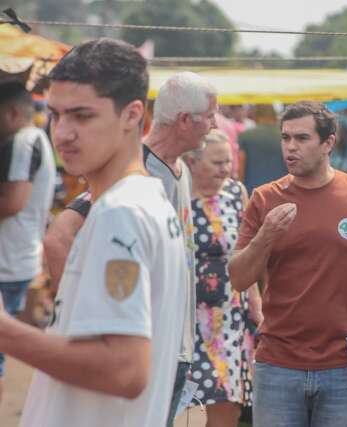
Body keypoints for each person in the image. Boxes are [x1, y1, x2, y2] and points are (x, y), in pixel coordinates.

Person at [0, 38, 188, 426]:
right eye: (55, 114)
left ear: (133, 115)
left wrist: (5, 331)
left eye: (82, 116)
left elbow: (123, 370)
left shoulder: (122, 213)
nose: (63, 133)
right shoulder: (142, 202)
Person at [41, 70, 219, 426]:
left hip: (172, 348)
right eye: (210, 115)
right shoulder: (140, 171)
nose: (215, 124)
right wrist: (87, 322)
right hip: (142, 352)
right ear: (185, 120)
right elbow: (60, 237)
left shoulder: (178, 167)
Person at [228, 100, 347, 427]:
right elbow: (238, 278)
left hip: (345, 368)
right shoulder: (264, 199)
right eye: (285, 138)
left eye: (302, 138)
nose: (290, 147)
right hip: (278, 365)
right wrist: (266, 235)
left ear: (328, 143)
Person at [183, 129, 262, 427]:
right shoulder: (174, 193)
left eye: (228, 162)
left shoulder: (235, 193)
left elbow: (246, 252)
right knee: (177, 399)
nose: (225, 169)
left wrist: (256, 304)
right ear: (192, 162)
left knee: (228, 401)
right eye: (217, 162)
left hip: (229, 316)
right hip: (186, 316)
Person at [0, 82, 56, 403]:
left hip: (8, 262)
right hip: (15, 258)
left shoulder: (24, 141)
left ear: (12, 113)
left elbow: (12, 202)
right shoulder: (29, 140)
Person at [238, 104, 287, 195]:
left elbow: (241, 166)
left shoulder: (245, 136)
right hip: (281, 189)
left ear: (256, 114)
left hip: (253, 190)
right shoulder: (285, 135)